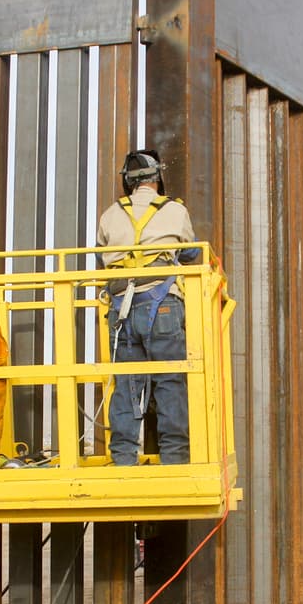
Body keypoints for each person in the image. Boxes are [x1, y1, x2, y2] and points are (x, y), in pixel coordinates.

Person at [96, 149, 201, 466]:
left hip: (121, 310)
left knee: (127, 382)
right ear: (157, 179)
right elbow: (190, 253)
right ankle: (175, 457)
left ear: (128, 182)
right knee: (169, 381)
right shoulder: (174, 211)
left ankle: (123, 456)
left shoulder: (110, 214)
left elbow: (102, 251)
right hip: (163, 306)